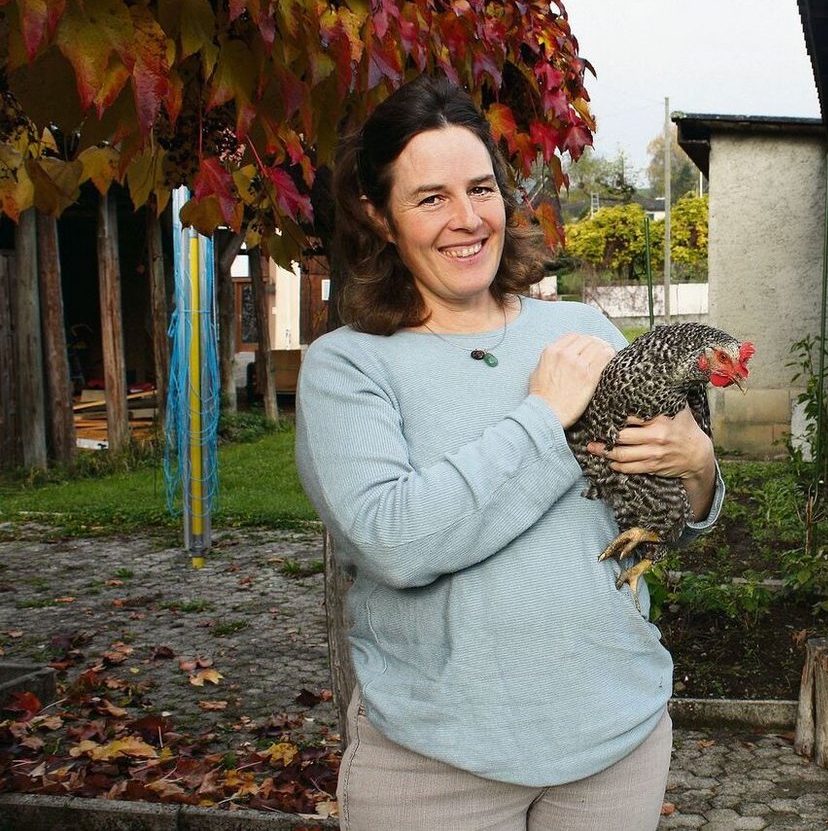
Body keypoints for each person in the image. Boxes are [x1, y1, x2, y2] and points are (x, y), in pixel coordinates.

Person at [295, 74, 723, 831]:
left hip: (613, 744)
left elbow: (661, 520)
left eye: (481, 189)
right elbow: (395, 541)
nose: (467, 220)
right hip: (434, 763)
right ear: (379, 216)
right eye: (431, 198)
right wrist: (545, 417)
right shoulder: (349, 366)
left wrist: (698, 467)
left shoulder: (583, 328)